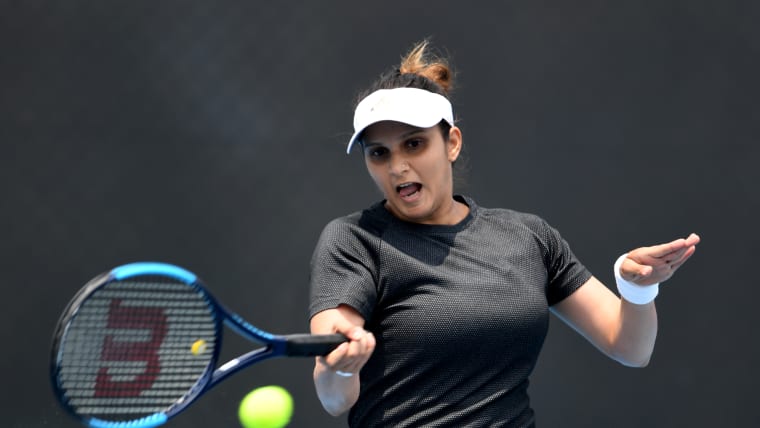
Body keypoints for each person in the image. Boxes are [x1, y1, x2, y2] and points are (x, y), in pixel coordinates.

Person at [308, 40, 700, 427]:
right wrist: (341, 367)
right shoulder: (352, 241)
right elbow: (334, 398)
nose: (397, 167)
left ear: (452, 143)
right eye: (379, 152)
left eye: (414, 144)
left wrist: (636, 288)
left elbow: (630, 347)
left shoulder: (528, 237)